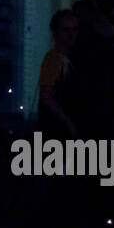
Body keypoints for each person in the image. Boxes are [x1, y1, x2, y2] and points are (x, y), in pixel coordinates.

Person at [38, 9, 81, 139]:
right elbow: (46, 96)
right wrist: (68, 123)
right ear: (55, 32)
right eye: (66, 30)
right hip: (56, 130)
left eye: (74, 30)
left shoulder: (69, 59)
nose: (71, 35)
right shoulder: (54, 59)